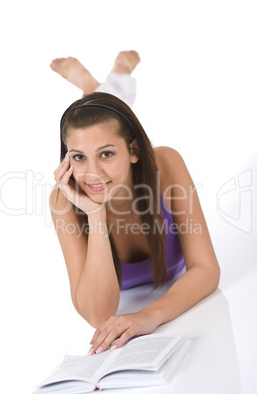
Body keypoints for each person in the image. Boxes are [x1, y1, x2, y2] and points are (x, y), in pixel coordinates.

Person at [49, 51, 220, 356]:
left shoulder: (165, 163)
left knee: (108, 120)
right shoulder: (64, 199)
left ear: (134, 151)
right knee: (101, 124)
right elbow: (98, 315)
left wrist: (148, 316)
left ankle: (101, 86)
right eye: (78, 157)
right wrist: (95, 213)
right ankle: (99, 88)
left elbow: (206, 269)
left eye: (106, 154)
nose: (93, 174)